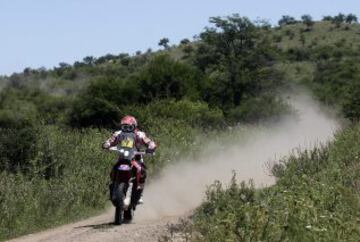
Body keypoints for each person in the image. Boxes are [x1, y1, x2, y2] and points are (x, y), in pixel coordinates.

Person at [102, 115, 156, 204]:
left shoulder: (139, 134)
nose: (127, 128)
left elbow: (147, 141)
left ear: (134, 126)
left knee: (142, 172)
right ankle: (114, 187)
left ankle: (140, 194)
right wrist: (106, 144)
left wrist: (151, 146)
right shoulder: (118, 133)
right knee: (113, 170)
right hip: (123, 157)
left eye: (129, 126)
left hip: (136, 157)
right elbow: (111, 140)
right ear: (121, 126)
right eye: (124, 126)